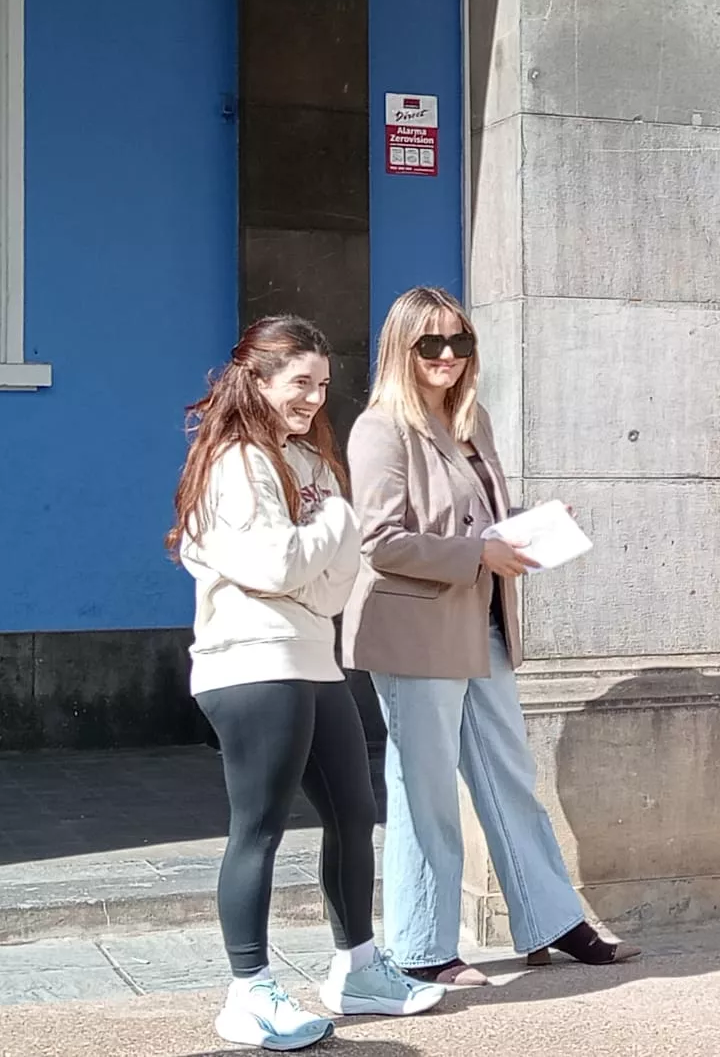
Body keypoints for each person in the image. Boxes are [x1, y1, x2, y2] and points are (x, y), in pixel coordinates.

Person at [344, 287, 638, 988]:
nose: (448, 356)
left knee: (510, 776)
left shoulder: (474, 424)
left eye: (460, 342)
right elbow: (379, 541)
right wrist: (480, 552)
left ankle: (552, 919)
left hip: (485, 627)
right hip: (417, 632)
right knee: (426, 794)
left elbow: (479, 526)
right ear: (402, 349)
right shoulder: (381, 429)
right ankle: (420, 947)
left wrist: (531, 527)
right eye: (431, 344)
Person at [170, 316, 445, 1051]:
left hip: (311, 659)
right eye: (300, 384)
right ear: (255, 381)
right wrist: (334, 525)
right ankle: (248, 992)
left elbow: (326, 592)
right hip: (252, 664)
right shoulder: (234, 461)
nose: (315, 400)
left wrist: (320, 536)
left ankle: (358, 968)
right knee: (257, 828)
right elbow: (280, 568)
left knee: (356, 813)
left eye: (323, 386)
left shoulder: (306, 463)